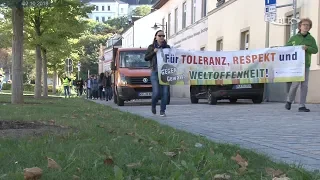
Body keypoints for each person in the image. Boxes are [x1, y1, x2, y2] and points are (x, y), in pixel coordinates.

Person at [285, 18, 318, 112]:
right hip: (296, 65)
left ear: (310, 27)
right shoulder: (294, 38)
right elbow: (286, 48)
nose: (306, 26)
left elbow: (315, 50)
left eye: (308, 25)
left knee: (305, 85)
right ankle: (289, 101)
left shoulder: (311, 39)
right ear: (300, 26)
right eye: (304, 24)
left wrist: (307, 48)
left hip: (306, 64)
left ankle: (302, 105)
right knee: (295, 84)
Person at [145, 30, 170, 117]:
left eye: (163, 36)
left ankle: (162, 111)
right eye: (160, 35)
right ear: (156, 37)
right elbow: (146, 58)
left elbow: (172, 58)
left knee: (165, 93)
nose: (162, 37)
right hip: (155, 71)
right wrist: (153, 52)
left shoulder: (167, 47)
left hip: (165, 72)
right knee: (156, 92)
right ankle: (153, 105)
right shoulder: (151, 47)